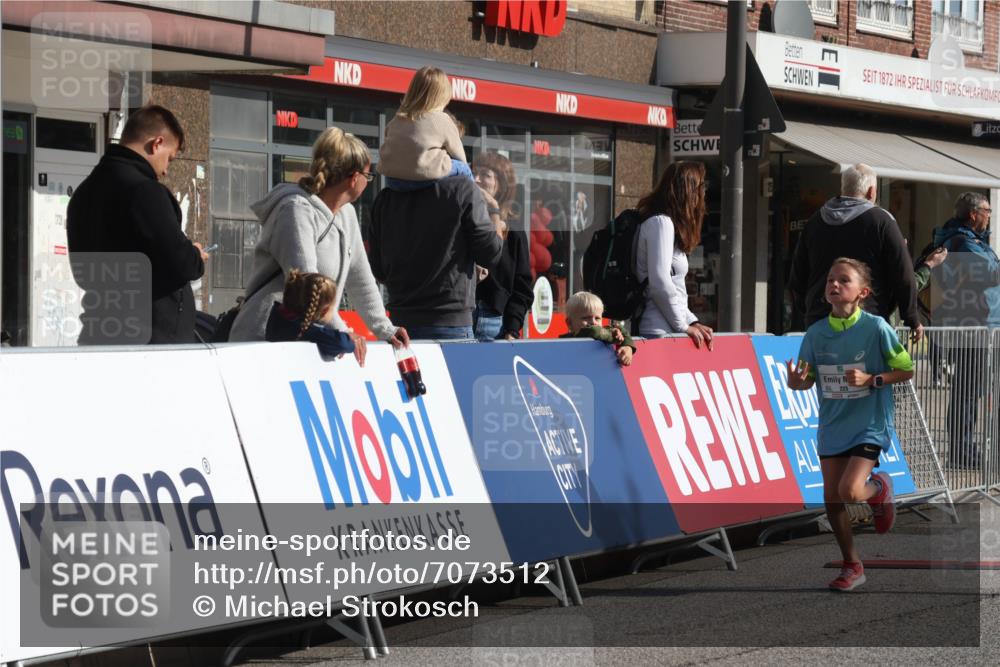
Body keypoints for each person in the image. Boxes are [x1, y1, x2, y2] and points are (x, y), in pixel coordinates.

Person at [786, 258, 914, 592]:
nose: (835, 285)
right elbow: (805, 381)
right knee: (832, 499)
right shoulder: (815, 334)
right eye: (831, 279)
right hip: (833, 424)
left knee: (851, 490)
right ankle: (852, 565)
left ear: (862, 292)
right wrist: (795, 381)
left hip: (869, 422)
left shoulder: (876, 328)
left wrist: (873, 378)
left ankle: (879, 489)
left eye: (844, 280)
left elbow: (906, 369)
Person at [229, 127, 408, 350]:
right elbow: (309, 288)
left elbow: (361, 279)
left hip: (306, 340)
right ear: (354, 178)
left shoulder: (347, 214)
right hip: (264, 339)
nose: (368, 182)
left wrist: (385, 329)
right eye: (368, 176)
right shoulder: (295, 210)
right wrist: (343, 334)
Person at [67, 105, 208, 344]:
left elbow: (83, 273)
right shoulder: (144, 191)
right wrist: (194, 254)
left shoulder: (84, 192)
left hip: (100, 329)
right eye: (169, 159)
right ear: (157, 143)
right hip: (150, 339)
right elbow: (180, 263)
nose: (165, 171)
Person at [369, 149, 503, 341]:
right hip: (450, 322)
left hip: (400, 325)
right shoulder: (463, 188)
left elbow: (379, 271)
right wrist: (494, 211)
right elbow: (491, 253)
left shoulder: (385, 198)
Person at [789, 163, 922, 343]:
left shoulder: (815, 220)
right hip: (865, 319)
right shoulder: (881, 220)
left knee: (823, 370)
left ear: (843, 188)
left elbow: (798, 275)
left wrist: (809, 310)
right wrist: (911, 317)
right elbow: (903, 273)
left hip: (819, 321)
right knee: (864, 372)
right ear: (871, 191)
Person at [930, 192, 1000, 467]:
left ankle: (967, 447)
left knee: (972, 390)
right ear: (974, 214)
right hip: (972, 327)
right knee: (968, 391)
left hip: (981, 325)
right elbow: (992, 273)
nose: (989, 216)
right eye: (988, 211)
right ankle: (962, 450)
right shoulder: (962, 242)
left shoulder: (971, 241)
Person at [634, 161, 714, 350]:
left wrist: (691, 322)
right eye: (700, 187)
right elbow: (660, 283)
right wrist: (683, 326)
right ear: (687, 190)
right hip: (658, 331)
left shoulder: (665, 225)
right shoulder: (661, 224)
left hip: (667, 329)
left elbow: (674, 289)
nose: (702, 195)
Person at [378, 66, 472, 191]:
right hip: (424, 177)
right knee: (464, 168)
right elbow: (460, 157)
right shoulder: (442, 119)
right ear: (443, 95)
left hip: (393, 180)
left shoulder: (396, 120)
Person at [472, 152, 533, 341]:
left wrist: (512, 329)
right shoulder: (463, 221)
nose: (476, 180)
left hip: (494, 323)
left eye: (485, 175)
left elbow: (522, 287)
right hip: (458, 319)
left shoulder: (514, 232)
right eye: (474, 173)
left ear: (502, 184)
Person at [264, 269, 359, 362]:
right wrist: (349, 338)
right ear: (324, 311)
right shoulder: (308, 332)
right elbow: (343, 344)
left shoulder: (277, 318)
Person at [560, 291, 635, 366]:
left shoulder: (604, 331)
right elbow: (594, 331)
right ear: (569, 323)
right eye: (585, 318)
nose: (593, 322)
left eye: (597, 318)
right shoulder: (564, 343)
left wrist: (628, 347)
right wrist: (612, 336)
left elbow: (620, 329)